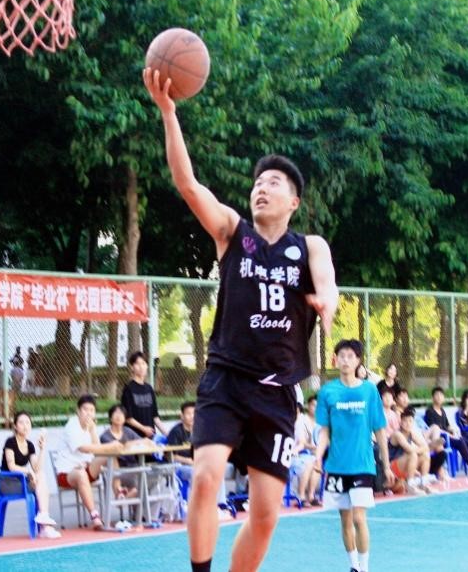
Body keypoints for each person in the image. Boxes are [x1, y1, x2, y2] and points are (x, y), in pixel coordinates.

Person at [145, 67, 337, 572]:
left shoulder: (309, 246)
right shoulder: (233, 233)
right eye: (257, 183)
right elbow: (188, 185)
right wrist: (169, 113)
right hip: (226, 380)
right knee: (205, 477)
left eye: (273, 183)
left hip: (277, 393)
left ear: (293, 201)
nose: (261, 189)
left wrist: (327, 302)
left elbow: (327, 281)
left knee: (267, 515)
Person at [314, 340, 392, 572]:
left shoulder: (369, 391)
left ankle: (364, 568)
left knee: (359, 517)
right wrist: (318, 457)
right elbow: (324, 430)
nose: (346, 360)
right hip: (337, 466)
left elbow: (380, 429)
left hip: (362, 465)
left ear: (358, 361)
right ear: (335, 360)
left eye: (350, 356)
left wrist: (386, 465)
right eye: (342, 356)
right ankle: (353, 566)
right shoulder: (327, 392)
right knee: (345, 519)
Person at [54, 395, 125, 530]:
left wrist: (92, 430)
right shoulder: (72, 425)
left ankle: (118, 491)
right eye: (85, 409)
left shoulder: (90, 427)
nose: (88, 413)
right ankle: (95, 516)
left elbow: (98, 450)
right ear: (78, 411)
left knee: (110, 457)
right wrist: (110, 445)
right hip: (67, 473)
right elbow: (84, 448)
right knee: (81, 474)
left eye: (92, 410)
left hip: (85, 468)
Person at [2, 411, 60, 538]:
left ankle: (44, 520)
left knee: (41, 476)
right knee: (40, 482)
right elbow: (11, 466)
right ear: (15, 426)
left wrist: (42, 449)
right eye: (21, 423)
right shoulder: (10, 442)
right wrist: (28, 472)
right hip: (8, 483)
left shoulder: (30, 445)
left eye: (27, 423)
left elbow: (37, 468)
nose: (25, 426)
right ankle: (44, 526)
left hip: (22, 481)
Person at [424, 386, 468, 476]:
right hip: (441, 439)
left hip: (449, 436)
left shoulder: (442, 410)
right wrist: (448, 434)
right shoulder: (430, 411)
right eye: (437, 395)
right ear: (432, 397)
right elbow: (433, 429)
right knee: (460, 442)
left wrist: (453, 430)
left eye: (441, 395)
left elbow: (447, 425)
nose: (439, 397)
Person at [100, 404, 147, 499]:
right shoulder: (105, 436)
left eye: (121, 414)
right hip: (118, 470)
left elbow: (143, 441)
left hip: (133, 467)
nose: (118, 416)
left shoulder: (128, 431)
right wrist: (130, 444)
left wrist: (145, 442)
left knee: (150, 482)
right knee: (141, 487)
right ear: (110, 417)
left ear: (125, 418)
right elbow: (118, 448)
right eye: (116, 413)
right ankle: (123, 498)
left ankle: (123, 499)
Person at [121, 352, 167, 438]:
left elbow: (155, 417)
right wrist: (144, 429)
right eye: (137, 364)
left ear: (147, 366)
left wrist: (167, 434)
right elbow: (128, 418)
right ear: (132, 367)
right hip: (134, 437)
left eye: (143, 363)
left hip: (150, 436)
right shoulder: (128, 389)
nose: (141, 367)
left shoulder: (149, 388)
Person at [294, 394, 321, 506]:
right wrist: (315, 448)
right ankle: (300, 496)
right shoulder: (302, 420)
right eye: (313, 405)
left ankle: (311, 496)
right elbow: (302, 443)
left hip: (314, 455)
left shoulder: (320, 423)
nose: (315, 408)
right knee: (311, 462)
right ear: (308, 406)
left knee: (317, 462)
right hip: (299, 454)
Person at [167, 402, 196, 480]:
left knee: (217, 471)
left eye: (194, 413)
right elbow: (170, 455)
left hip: (197, 463)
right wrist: (187, 460)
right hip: (180, 466)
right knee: (200, 473)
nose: (192, 416)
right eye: (188, 414)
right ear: (182, 416)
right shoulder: (176, 432)